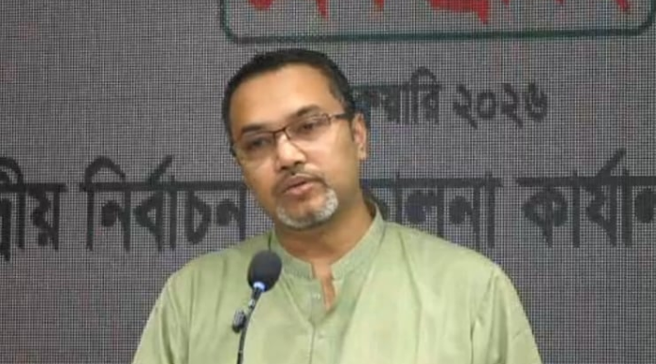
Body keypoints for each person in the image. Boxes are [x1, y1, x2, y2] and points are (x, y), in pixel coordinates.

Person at [132, 48, 542, 364]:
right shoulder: (192, 298)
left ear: (359, 137)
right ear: (242, 169)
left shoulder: (470, 291)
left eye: (309, 126)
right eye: (257, 143)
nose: (287, 155)